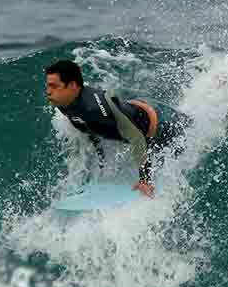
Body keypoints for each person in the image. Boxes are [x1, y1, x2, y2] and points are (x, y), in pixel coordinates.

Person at [44, 59, 188, 198]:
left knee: (184, 147)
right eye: (48, 86)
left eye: (54, 86)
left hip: (163, 124)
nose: (48, 91)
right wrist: (101, 165)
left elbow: (137, 138)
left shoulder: (94, 108)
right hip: (138, 108)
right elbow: (89, 130)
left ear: (72, 86)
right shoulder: (64, 103)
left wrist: (145, 180)